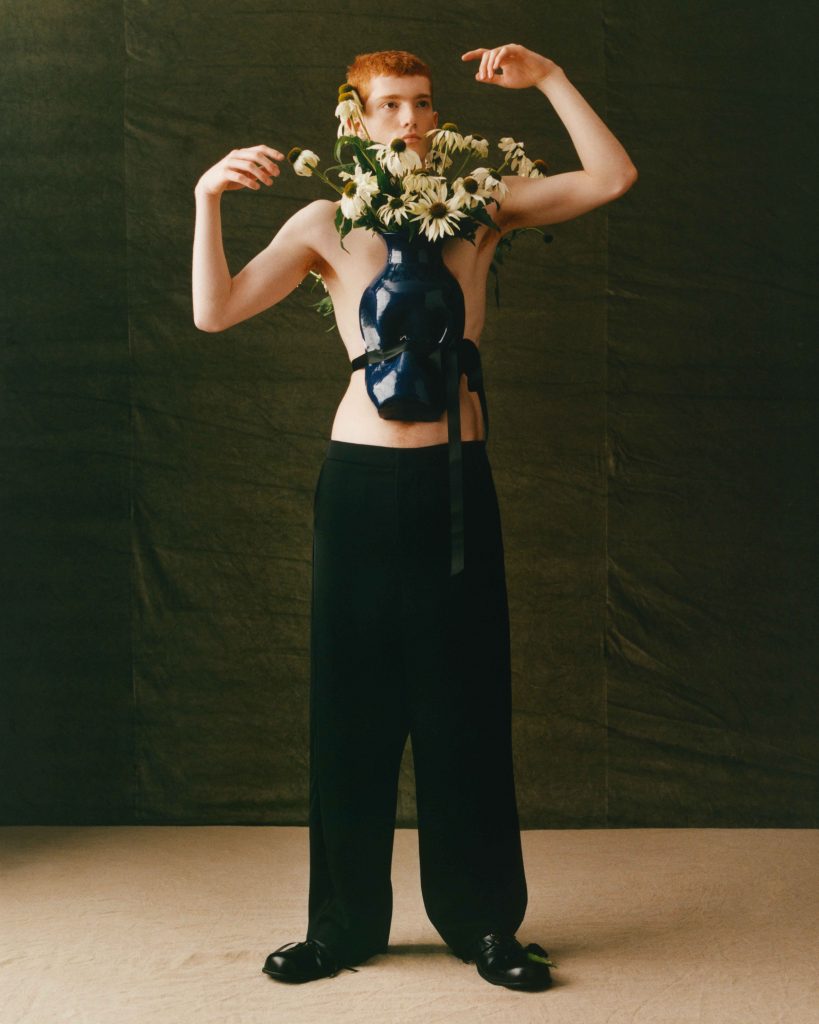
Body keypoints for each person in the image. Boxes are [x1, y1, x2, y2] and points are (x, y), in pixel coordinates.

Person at [192, 43, 637, 991]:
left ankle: (485, 926)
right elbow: (214, 312)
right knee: (348, 707)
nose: (409, 120)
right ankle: (337, 927)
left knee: (462, 705)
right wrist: (208, 200)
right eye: (390, 105)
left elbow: (610, 178)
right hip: (358, 486)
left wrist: (550, 80)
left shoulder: (479, 207)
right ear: (355, 119)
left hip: (452, 482)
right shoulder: (325, 220)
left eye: (422, 103)